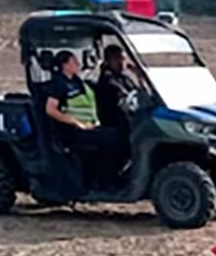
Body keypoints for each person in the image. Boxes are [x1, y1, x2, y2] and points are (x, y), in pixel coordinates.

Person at [45, 50, 125, 183]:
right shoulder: (59, 84)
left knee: (118, 135)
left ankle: (108, 178)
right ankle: (105, 181)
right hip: (71, 131)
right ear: (65, 65)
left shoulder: (76, 81)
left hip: (88, 126)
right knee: (113, 141)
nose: (78, 64)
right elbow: (51, 110)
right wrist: (76, 122)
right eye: (74, 62)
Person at [95, 43, 149, 130]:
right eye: (117, 59)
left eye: (122, 59)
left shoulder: (124, 77)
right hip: (116, 124)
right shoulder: (107, 79)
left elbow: (140, 93)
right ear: (108, 61)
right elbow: (127, 100)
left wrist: (139, 77)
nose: (121, 62)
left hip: (129, 120)